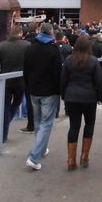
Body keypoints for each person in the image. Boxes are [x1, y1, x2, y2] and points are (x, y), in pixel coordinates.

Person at [61, 34, 102, 170]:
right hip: (89, 98)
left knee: (74, 127)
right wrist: (100, 97)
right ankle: (84, 157)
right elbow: (98, 81)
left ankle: (70, 160)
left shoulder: (69, 60)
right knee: (89, 124)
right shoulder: (93, 61)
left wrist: (63, 95)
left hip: (72, 97)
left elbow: (63, 80)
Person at [23, 23, 62, 170]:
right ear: (51, 33)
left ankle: (41, 148)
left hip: (33, 90)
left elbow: (25, 69)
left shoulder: (30, 48)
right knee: (46, 124)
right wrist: (59, 91)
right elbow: (57, 73)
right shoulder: (53, 50)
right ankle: (33, 156)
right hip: (49, 92)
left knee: (39, 122)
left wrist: (28, 86)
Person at [0, 24, 29, 142]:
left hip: (5, 82)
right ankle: (2, 130)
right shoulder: (27, 46)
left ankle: (2, 135)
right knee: (16, 103)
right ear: (20, 33)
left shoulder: (1, 46)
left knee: (5, 106)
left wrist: (0, 74)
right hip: (21, 81)